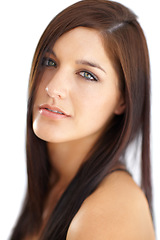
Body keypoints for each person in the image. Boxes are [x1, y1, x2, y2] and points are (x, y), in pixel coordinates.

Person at [10, 0, 155, 239]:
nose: (53, 87)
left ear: (123, 100)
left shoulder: (108, 212)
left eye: (87, 75)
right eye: (49, 62)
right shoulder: (53, 183)